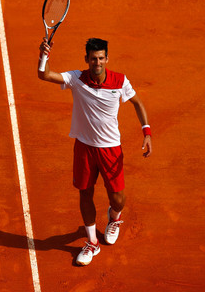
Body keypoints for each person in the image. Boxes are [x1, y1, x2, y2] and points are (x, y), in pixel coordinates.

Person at [38, 37, 152, 266]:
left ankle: (115, 216)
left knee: (118, 199)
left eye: (101, 58)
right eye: (93, 59)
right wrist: (44, 55)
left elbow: (138, 103)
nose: (97, 62)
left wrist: (146, 132)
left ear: (107, 59)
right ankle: (92, 243)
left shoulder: (120, 81)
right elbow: (45, 75)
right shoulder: (77, 78)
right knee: (85, 193)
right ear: (87, 60)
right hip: (84, 147)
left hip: (111, 149)